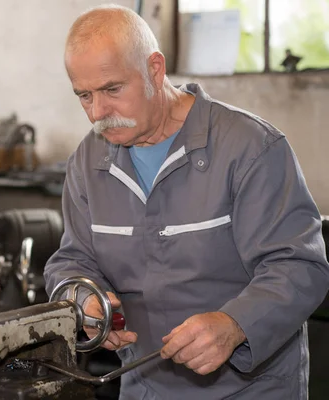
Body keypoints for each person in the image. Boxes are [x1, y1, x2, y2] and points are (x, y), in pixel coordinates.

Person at [43, 4, 329, 399]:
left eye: (111, 89)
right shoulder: (88, 163)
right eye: (84, 96)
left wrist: (235, 324)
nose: (98, 112)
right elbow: (72, 260)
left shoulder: (250, 148)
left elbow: (300, 266)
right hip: (143, 387)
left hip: (251, 390)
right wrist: (82, 299)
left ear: (155, 69)